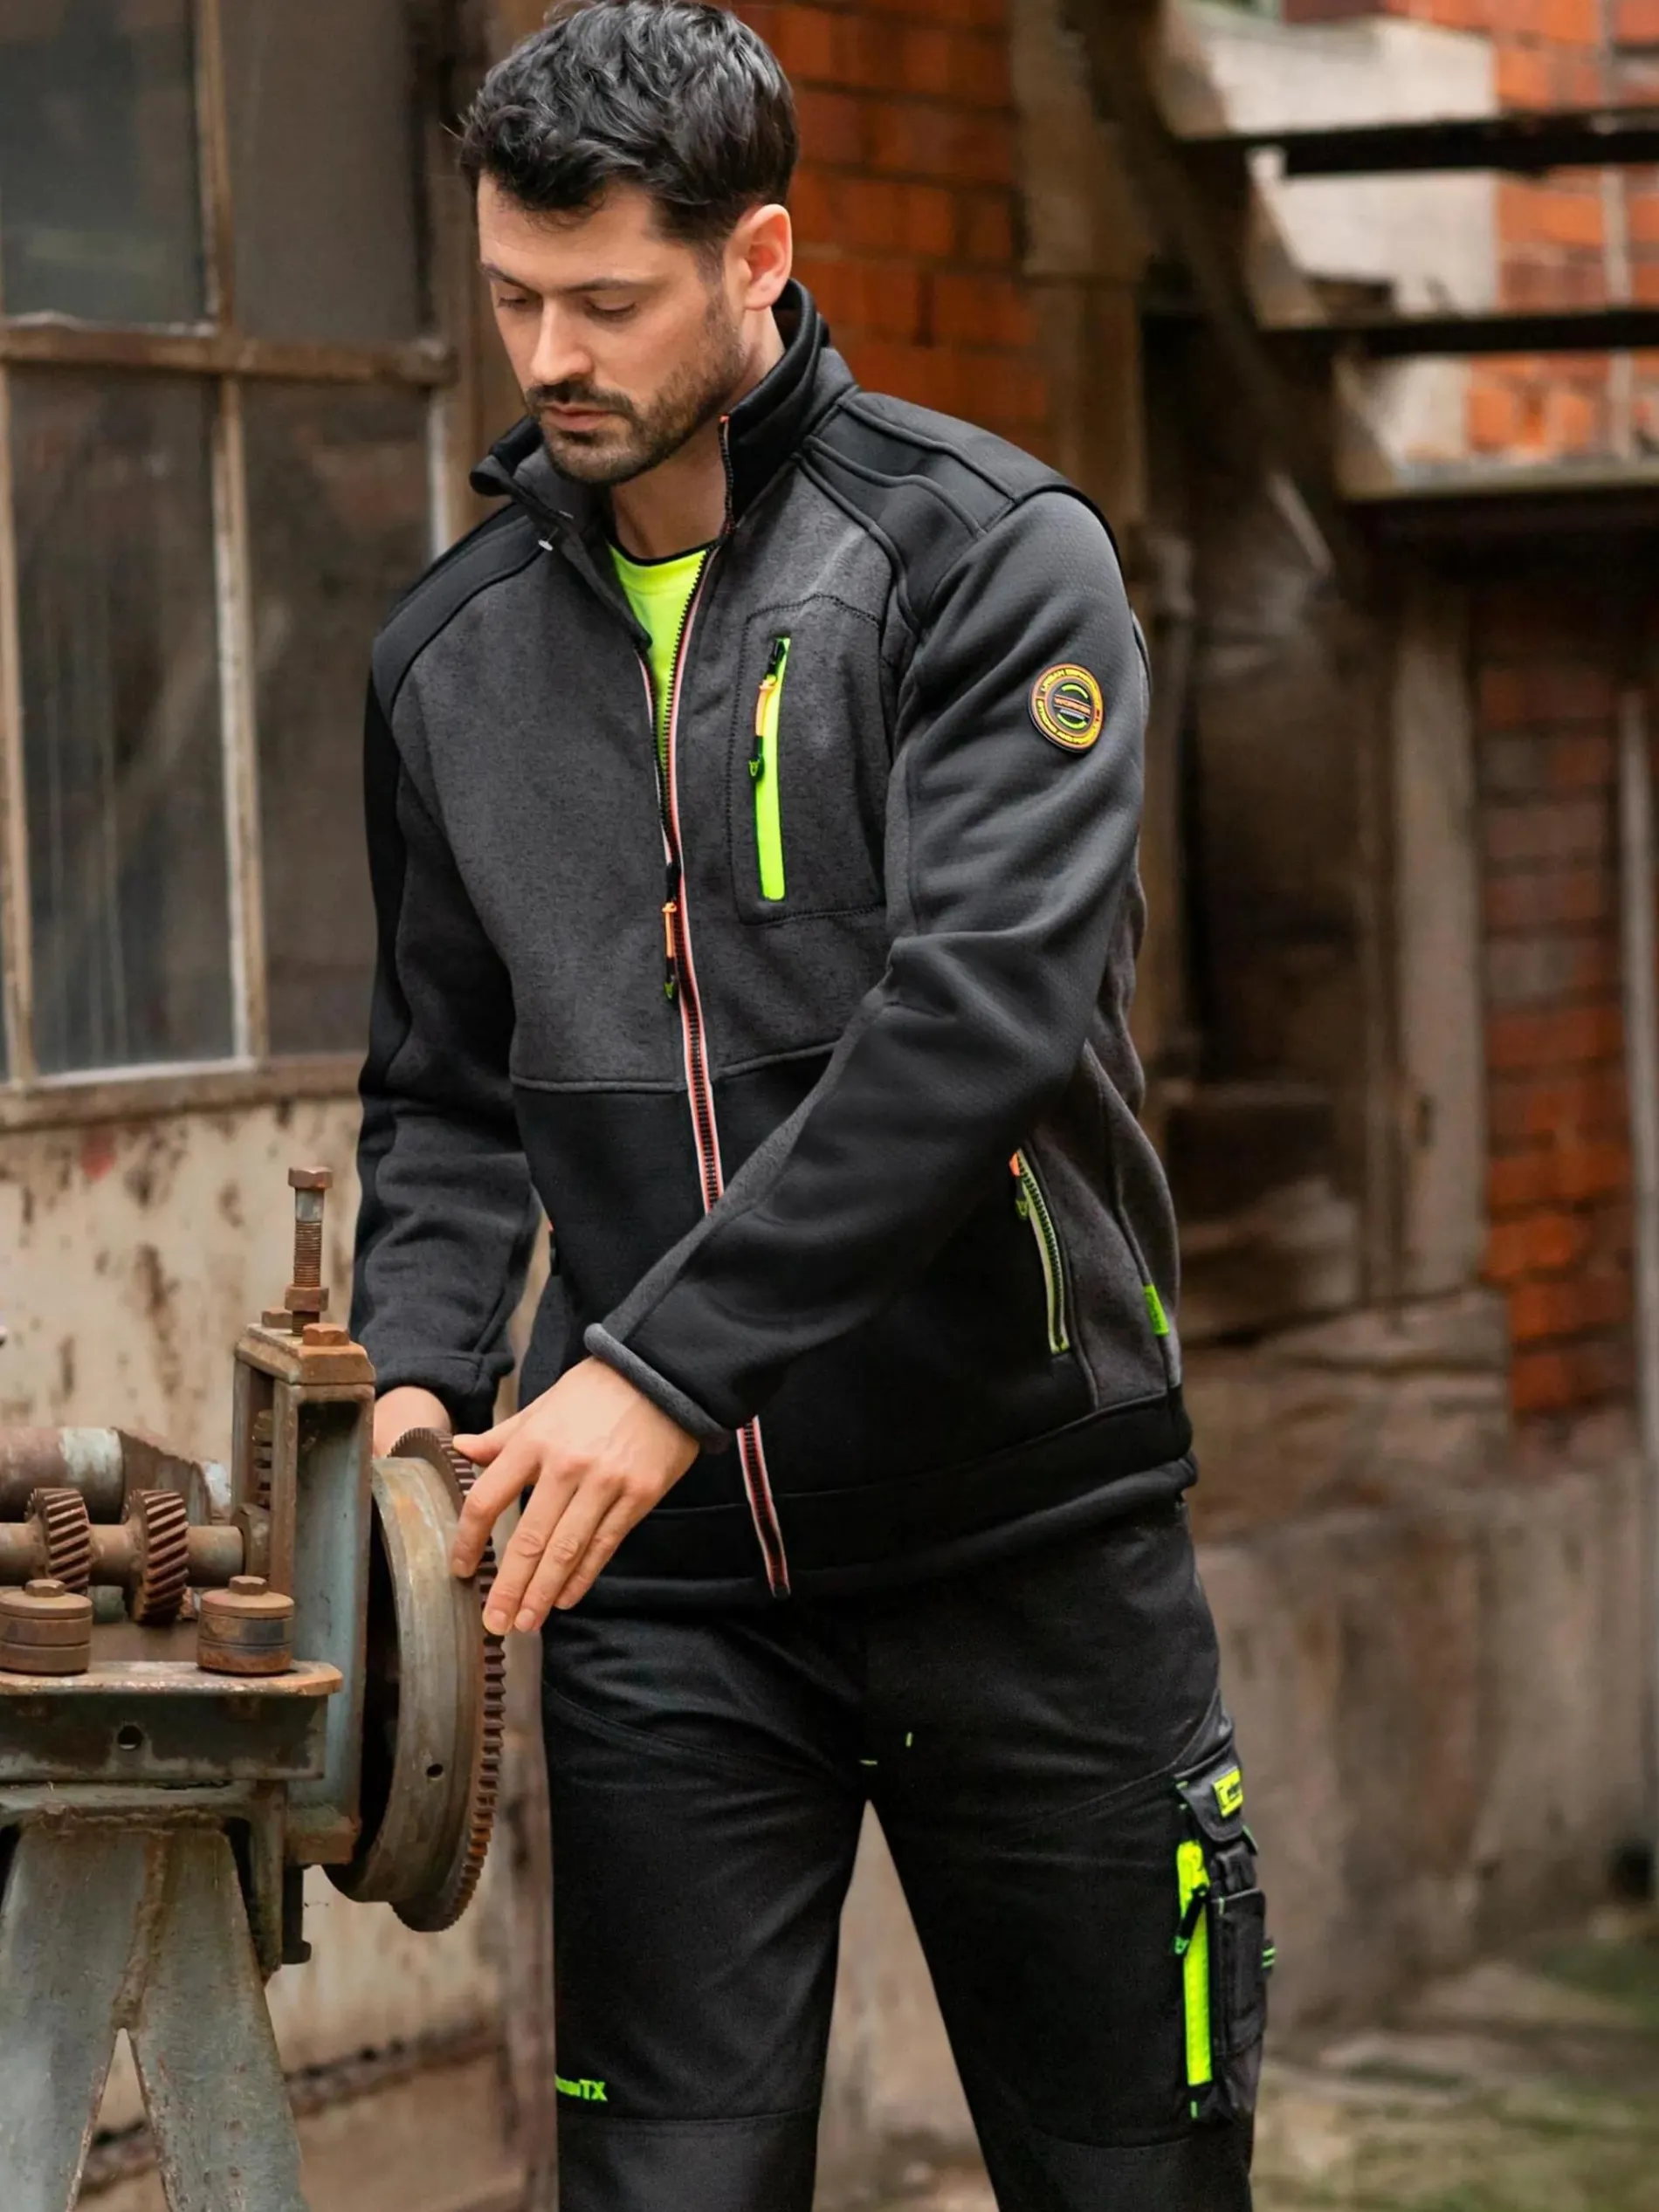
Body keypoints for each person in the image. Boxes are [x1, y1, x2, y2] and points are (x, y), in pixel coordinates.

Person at [353, 5, 1266, 2205]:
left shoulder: (985, 560)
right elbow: (445, 1092)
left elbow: (975, 1025)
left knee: (1130, 2177)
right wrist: (410, 1383)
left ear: (755, 256)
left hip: (1026, 1544)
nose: (547, 356)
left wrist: (654, 1366)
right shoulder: (446, 660)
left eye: (605, 300)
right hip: (662, 1607)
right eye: (511, 297)